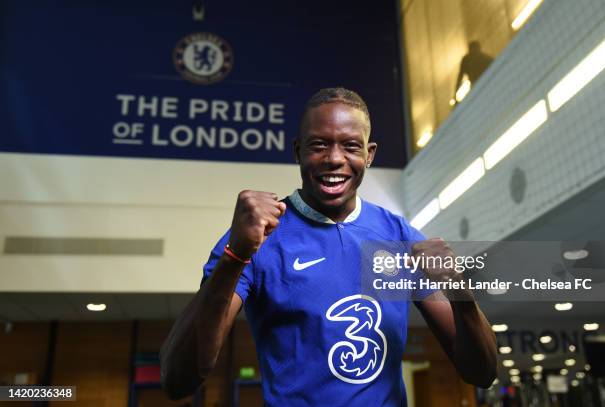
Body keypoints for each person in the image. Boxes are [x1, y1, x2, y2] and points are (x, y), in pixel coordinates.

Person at [160, 87, 498, 405]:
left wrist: (462, 296)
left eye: (350, 146)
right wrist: (235, 256)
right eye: (319, 145)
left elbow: (481, 373)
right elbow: (178, 379)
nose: (334, 159)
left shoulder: (400, 236)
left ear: (369, 155)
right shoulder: (258, 236)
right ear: (298, 151)